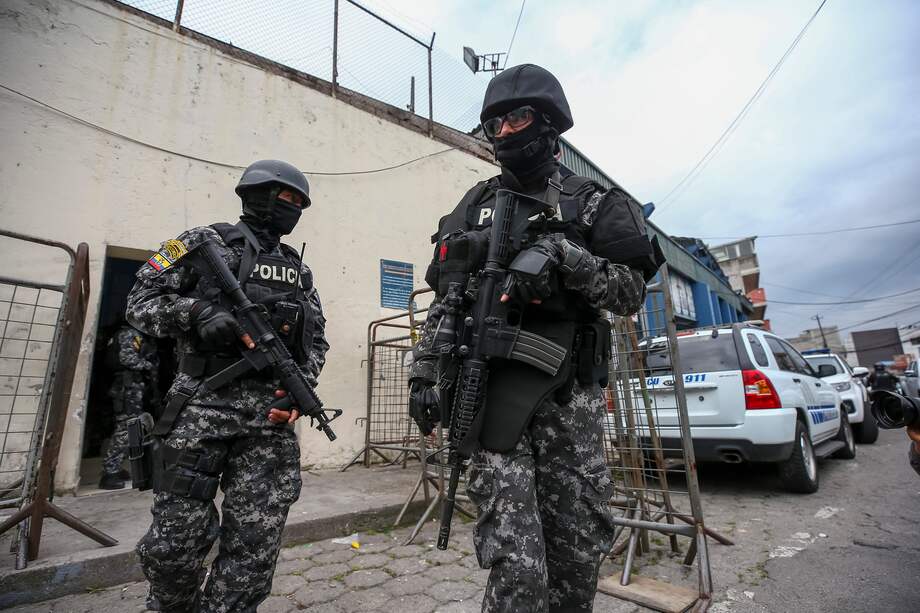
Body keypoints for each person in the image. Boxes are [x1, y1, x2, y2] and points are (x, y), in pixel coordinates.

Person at [408, 64, 661, 612]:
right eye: (492, 125)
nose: (502, 134)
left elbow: (630, 291)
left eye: (515, 118)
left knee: (574, 561)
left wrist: (566, 259)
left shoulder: (591, 202)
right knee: (516, 568)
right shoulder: (469, 209)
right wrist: (423, 371)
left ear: (549, 125)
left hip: (568, 403)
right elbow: (446, 301)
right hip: (489, 397)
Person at [126, 159, 329, 613]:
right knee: (173, 547)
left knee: (253, 554)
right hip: (201, 411)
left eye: (300, 203)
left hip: (268, 427)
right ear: (254, 194)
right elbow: (140, 301)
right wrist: (194, 313)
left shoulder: (299, 271)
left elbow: (315, 339)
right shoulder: (198, 244)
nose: (292, 208)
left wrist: (298, 393)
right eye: (285, 197)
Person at [99, 322, 158, 489]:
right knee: (125, 428)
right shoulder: (131, 334)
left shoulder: (128, 334)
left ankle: (114, 468)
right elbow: (127, 359)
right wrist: (149, 365)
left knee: (129, 427)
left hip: (129, 388)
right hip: (128, 388)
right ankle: (110, 472)